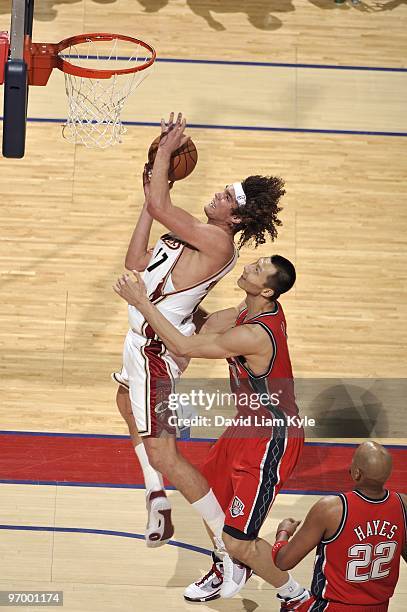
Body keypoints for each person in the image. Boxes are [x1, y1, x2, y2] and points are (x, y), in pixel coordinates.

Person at [113, 111, 286, 550]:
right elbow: (136, 261)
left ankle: (227, 547)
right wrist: (151, 198)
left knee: (166, 453)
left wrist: (166, 157)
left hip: (156, 347)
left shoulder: (217, 242)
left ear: (237, 218)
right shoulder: (192, 235)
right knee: (123, 400)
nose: (217, 192)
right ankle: (156, 494)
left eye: (227, 195)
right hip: (141, 340)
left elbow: (161, 208)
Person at [114, 255, 309, 610]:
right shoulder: (247, 311)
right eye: (256, 260)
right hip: (245, 428)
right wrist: (180, 294)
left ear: (267, 290)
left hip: (272, 439)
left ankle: (295, 595)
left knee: (238, 540)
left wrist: (142, 302)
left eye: (258, 268)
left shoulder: (252, 333)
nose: (249, 265)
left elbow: (184, 346)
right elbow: (202, 323)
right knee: (207, 500)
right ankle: (225, 567)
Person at [272, 441, 407, 611]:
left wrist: (283, 533)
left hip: (332, 607)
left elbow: (282, 561)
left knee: (290, 606)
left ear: (356, 473)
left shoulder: (331, 508)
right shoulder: (402, 504)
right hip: (379, 607)